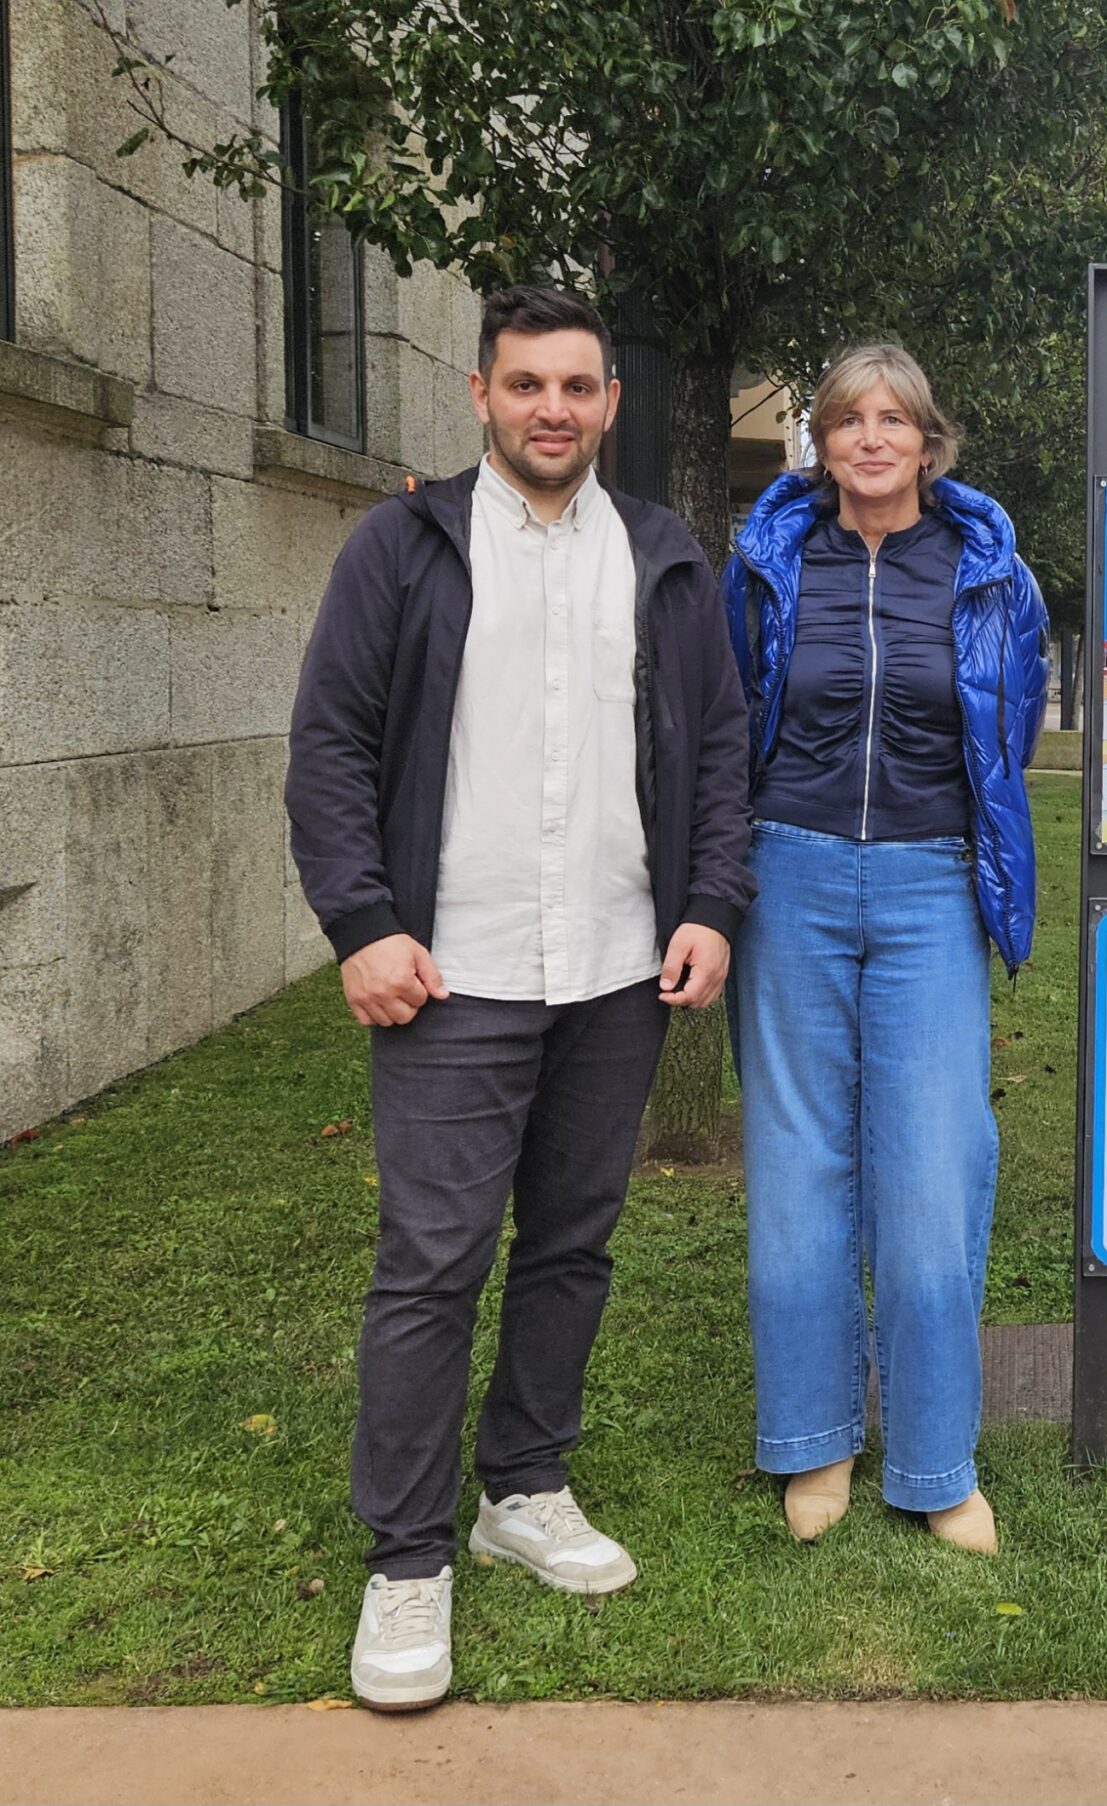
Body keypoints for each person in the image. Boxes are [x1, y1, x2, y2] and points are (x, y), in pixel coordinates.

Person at [286, 284, 754, 1711]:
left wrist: (709, 906)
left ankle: (524, 1485)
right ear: (481, 394)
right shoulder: (404, 546)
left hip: (614, 966)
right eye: (527, 383)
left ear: (611, 401)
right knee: (431, 1263)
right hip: (451, 976)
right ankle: (407, 1558)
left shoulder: (664, 557)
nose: (554, 407)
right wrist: (363, 924)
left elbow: (720, 750)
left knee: (569, 1243)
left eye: (579, 384)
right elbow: (328, 746)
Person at [723, 343, 1045, 1554]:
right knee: (798, 1167)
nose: (869, 437)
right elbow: (728, 721)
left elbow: (1006, 741)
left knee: (932, 1172)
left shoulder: (989, 574)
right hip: (790, 876)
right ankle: (812, 1444)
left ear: (927, 440)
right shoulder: (766, 564)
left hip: (931, 885)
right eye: (847, 418)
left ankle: (935, 1461)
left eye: (892, 419)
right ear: (818, 438)